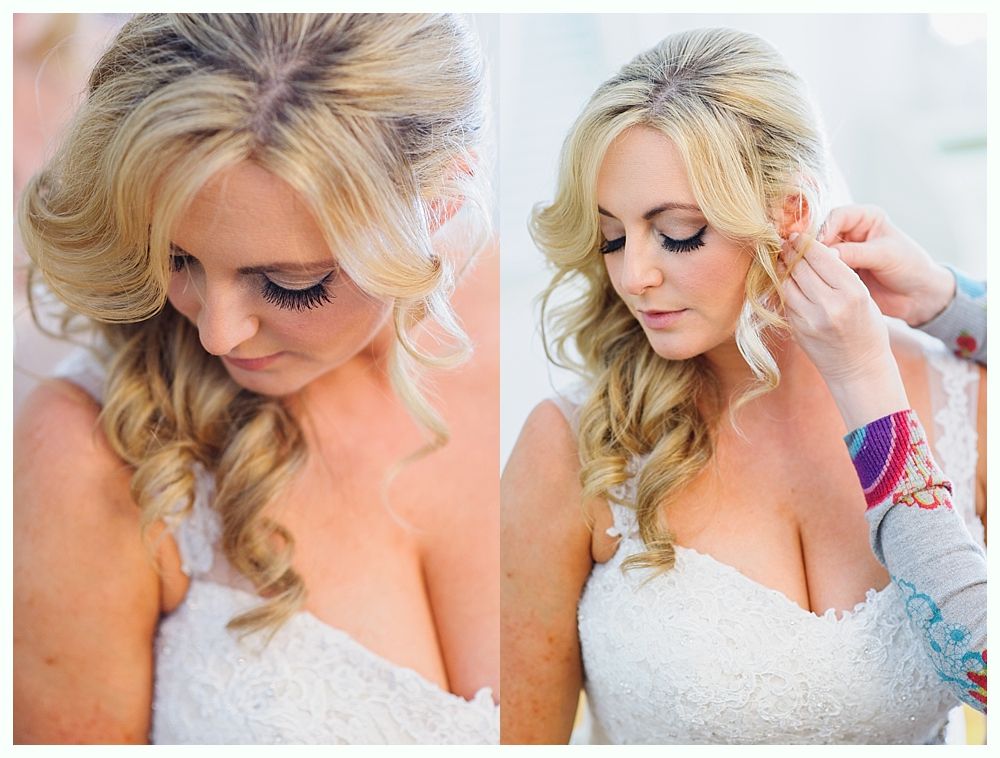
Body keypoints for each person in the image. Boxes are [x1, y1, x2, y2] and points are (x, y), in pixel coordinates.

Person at [14, 13, 499, 744]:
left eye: (288, 284)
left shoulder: (552, 364)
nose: (215, 332)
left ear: (438, 201)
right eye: (176, 258)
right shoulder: (95, 447)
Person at [501, 28, 985, 744]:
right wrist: (951, 298)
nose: (634, 275)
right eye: (611, 237)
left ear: (788, 216)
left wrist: (920, 331)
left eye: (677, 233)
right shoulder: (571, 446)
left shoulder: (963, 403)